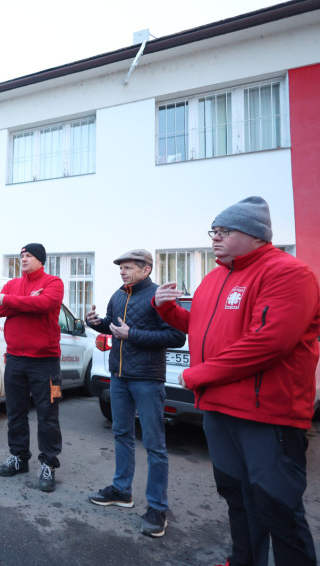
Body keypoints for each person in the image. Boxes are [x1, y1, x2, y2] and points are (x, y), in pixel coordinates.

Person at [154, 196, 319, 566]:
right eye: (214, 231)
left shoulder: (288, 273)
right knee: (237, 498)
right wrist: (167, 309)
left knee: (278, 508)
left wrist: (198, 374)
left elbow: (269, 342)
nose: (215, 238)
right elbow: (200, 327)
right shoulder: (214, 279)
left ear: (256, 235)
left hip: (266, 414)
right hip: (218, 408)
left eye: (225, 231)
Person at [86, 249, 185, 538]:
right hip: (119, 377)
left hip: (147, 379)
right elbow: (113, 324)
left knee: (155, 445)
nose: (122, 272)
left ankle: (157, 508)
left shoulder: (158, 296)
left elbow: (177, 336)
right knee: (121, 434)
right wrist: (96, 323)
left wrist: (133, 335)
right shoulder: (118, 295)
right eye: (121, 268)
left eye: (128, 268)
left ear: (146, 269)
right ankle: (121, 491)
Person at [0, 243, 64, 492]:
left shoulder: (54, 283)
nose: (23, 259)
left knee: (48, 415)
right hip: (15, 359)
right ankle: (19, 457)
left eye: (29, 255)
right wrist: (27, 301)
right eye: (21, 256)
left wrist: (11, 302)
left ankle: (48, 464)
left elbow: (43, 304)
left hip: (45, 362)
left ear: (41, 260)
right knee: (15, 412)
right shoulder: (13, 284)